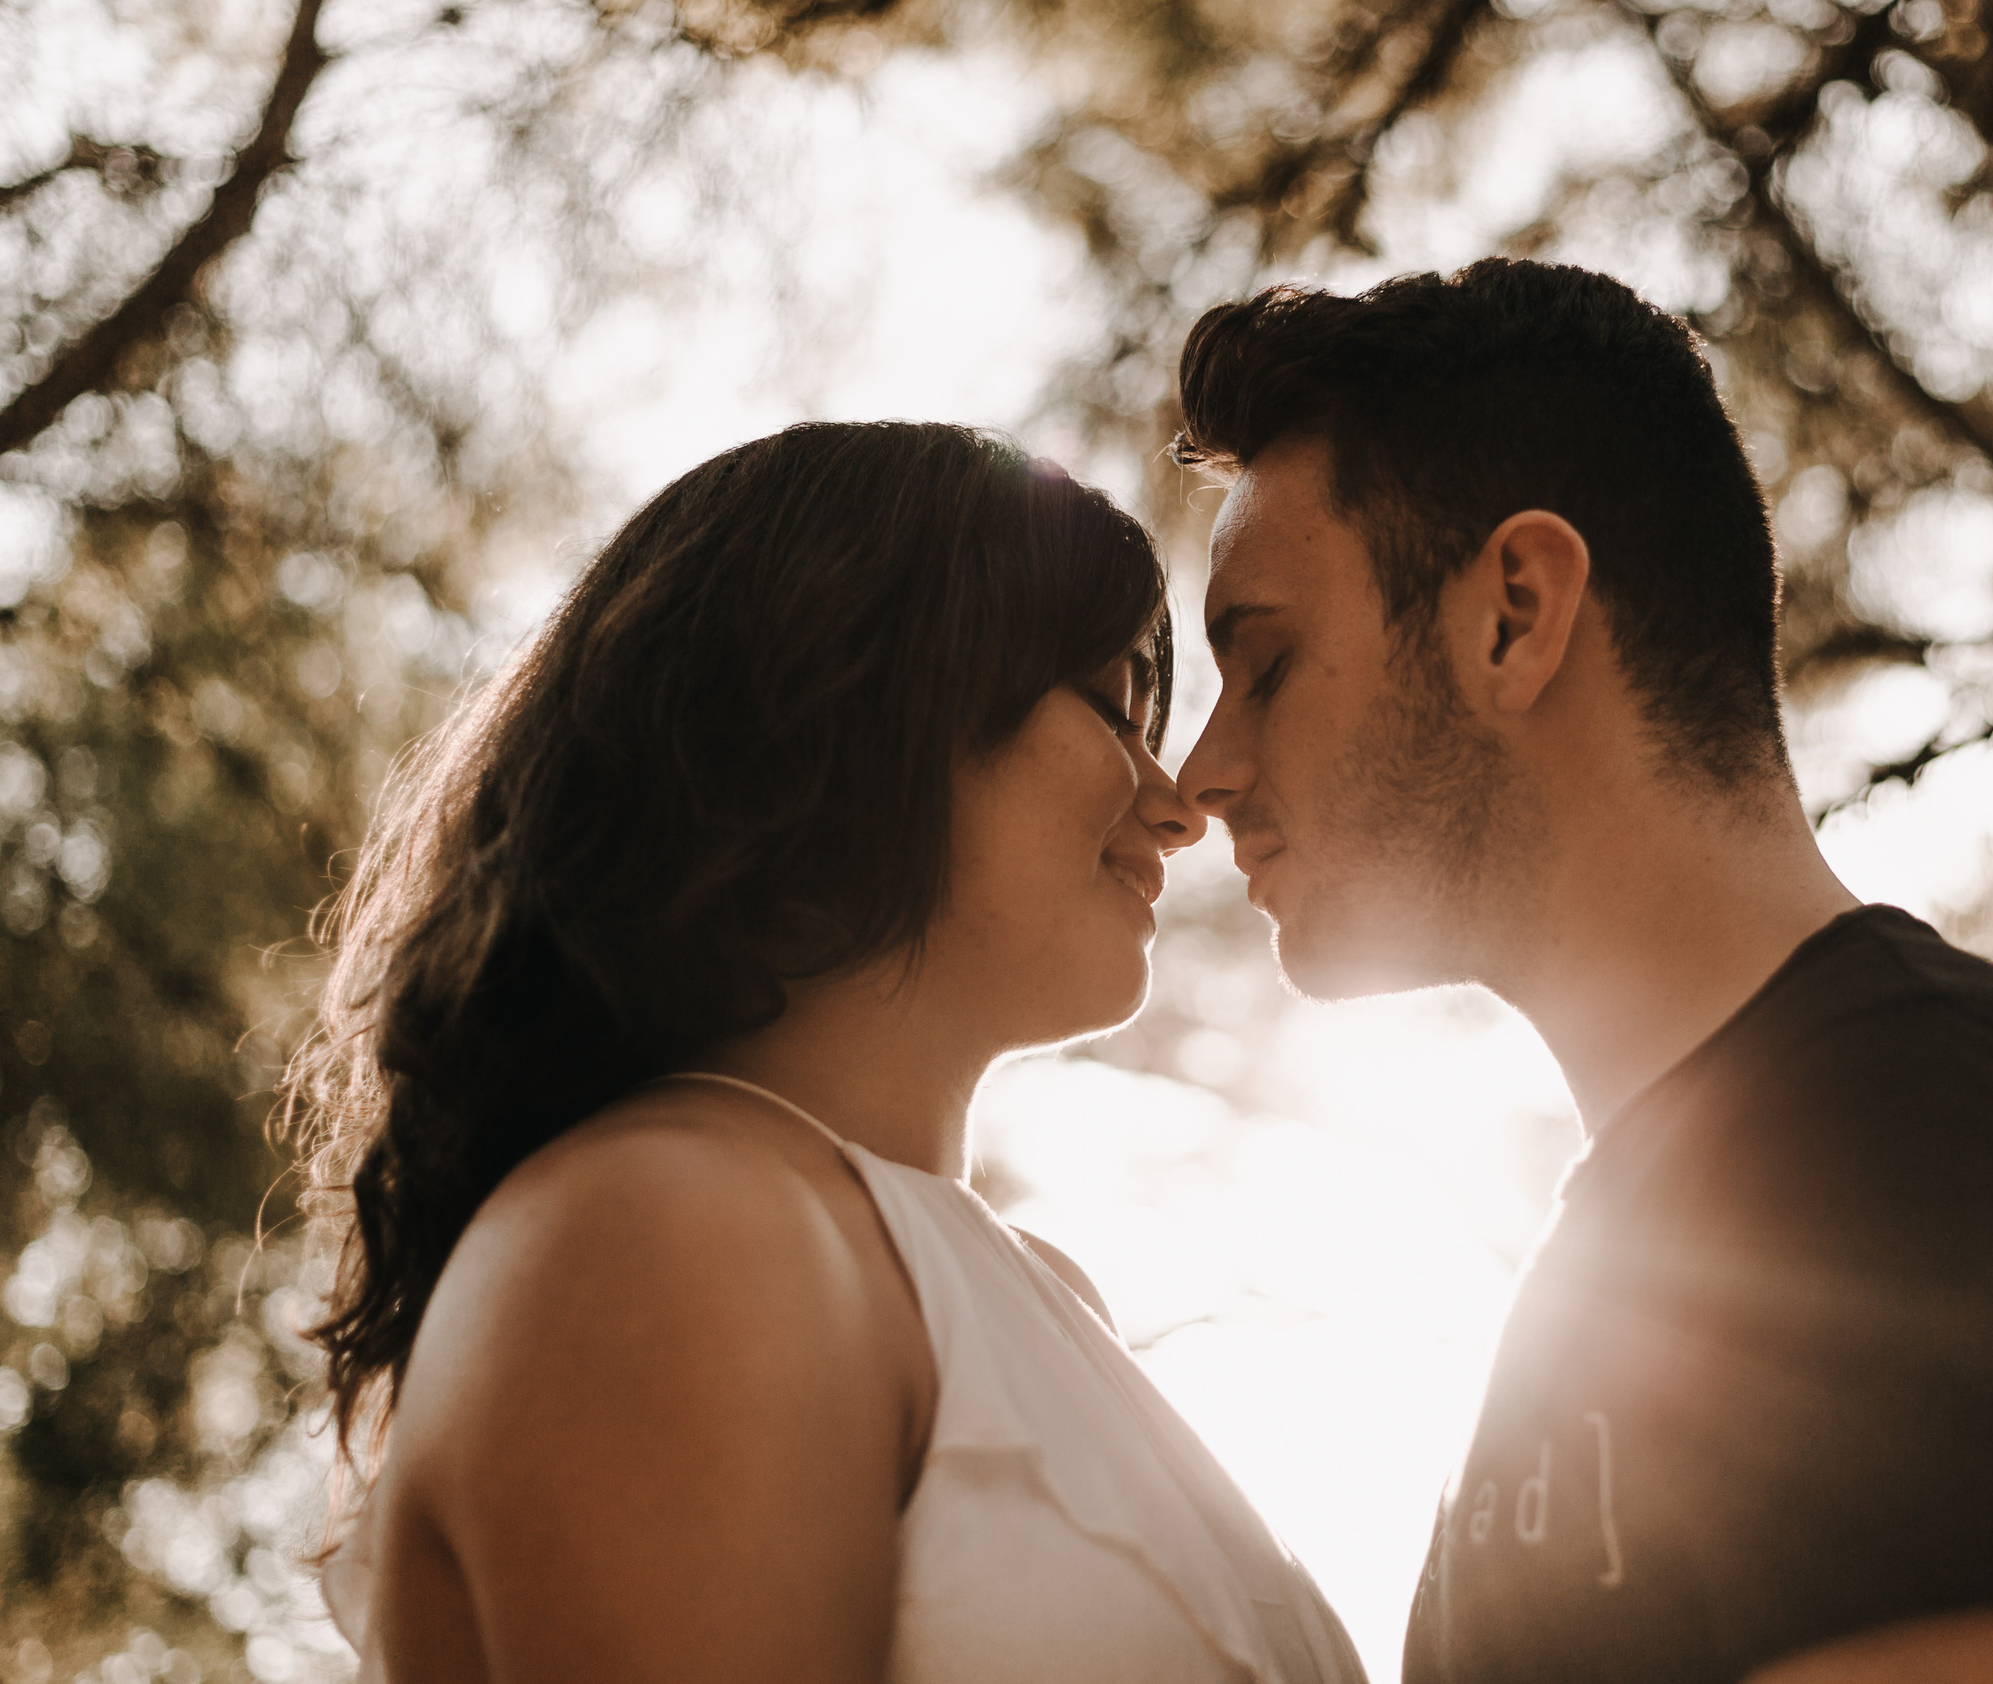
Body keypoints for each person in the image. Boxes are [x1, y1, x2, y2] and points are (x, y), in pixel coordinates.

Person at [1168, 260, 1993, 1684]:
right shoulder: (1632, 1252)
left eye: (1262, 663)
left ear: (1514, 608)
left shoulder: (1931, 1146)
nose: (1202, 773)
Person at [286, 422, 1366, 1684]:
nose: (1175, 803)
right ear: (853, 690)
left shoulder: (1034, 1289)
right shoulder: (666, 1234)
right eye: (1120, 705)